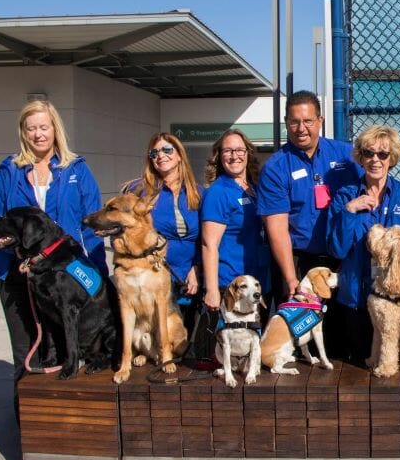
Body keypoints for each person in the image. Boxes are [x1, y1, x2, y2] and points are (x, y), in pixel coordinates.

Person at [0, 99, 106, 413]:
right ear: (23, 132)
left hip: (66, 276)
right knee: (27, 350)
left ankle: (67, 422)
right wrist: (19, 252)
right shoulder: (9, 169)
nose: (38, 134)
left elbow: (91, 223)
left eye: (44, 127)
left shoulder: (75, 168)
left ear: (55, 129)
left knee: (68, 347)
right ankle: (28, 424)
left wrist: (98, 275)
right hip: (17, 274)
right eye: (31, 128)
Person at [256, 90, 360, 354]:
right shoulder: (276, 167)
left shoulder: (346, 155)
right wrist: (291, 278)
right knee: (302, 339)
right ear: (286, 123)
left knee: (343, 334)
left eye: (308, 121)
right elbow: (277, 228)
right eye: (294, 122)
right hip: (300, 261)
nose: (301, 128)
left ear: (320, 120)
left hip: (342, 258)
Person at [327, 125, 400, 363]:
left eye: (383, 154)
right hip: (357, 298)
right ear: (360, 156)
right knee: (360, 366)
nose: (375, 160)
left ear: (392, 158)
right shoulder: (346, 195)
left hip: (396, 301)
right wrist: (349, 211)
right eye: (369, 153)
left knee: (396, 363)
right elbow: (336, 249)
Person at [124, 133, 204, 334]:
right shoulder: (138, 191)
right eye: (154, 152)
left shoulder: (199, 192)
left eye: (167, 150)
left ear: (179, 156)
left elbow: (208, 237)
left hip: (191, 278)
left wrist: (197, 268)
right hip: (153, 277)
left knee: (187, 341)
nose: (161, 155)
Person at [200, 129, 270, 320]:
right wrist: (212, 290)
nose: (234, 156)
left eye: (239, 150)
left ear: (248, 153)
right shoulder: (219, 192)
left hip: (257, 281)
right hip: (232, 285)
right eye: (227, 151)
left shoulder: (255, 188)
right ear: (219, 156)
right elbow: (209, 244)